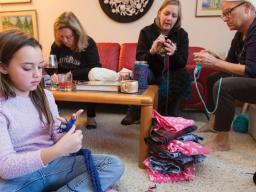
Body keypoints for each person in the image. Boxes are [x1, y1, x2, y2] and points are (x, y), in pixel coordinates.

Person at [0, 30, 124, 192]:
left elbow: (54, 136)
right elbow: (6, 168)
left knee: (113, 164)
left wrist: (64, 132)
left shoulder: (46, 96)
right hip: (21, 177)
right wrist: (57, 151)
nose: (38, 75)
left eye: (40, 66)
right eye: (27, 68)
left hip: (56, 166)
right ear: (3, 67)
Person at [194, 0, 256, 151]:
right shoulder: (239, 35)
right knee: (213, 78)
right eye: (223, 15)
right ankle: (213, 123)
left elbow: (252, 70)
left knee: (223, 85)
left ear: (247, 8)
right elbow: (229, 64)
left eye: (228, 12)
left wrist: (215, 62)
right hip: (250, 76)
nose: (225, 18)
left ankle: (222, 141)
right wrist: (214, 58)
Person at [121, 0, 191, 125]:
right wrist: (152, 51)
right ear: (159, 13)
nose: (169, 18)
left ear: (177, 19)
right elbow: (139, 58)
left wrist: (174, 53)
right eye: (167, 13)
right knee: (140, 68)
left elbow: (182, 63)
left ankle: (169, 115)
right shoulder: (146, 32)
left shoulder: (182, 35)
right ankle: (134, 110)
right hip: (152, 72)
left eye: (174, 16)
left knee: (183, 74)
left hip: (171, 74)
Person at [50, 11, 101, 129]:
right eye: (61, 36)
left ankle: (91, 116)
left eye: (68, 36)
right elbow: (53, 67)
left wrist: (69, 74)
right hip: (63, 82)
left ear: (77, 33)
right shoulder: (56, 45)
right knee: (46, 83)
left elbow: (95, 69)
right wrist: (53, 74)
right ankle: (54, 117)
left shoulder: (88, 43)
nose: (65, 40)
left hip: (84, 79)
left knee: (92, 84)